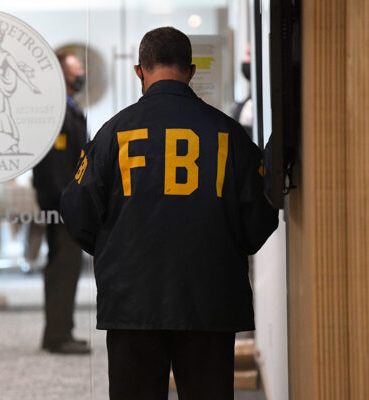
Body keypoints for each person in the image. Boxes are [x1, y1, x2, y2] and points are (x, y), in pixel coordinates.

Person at [60, 27, 278, 398]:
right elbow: (261, 215)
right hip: (211, 300)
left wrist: (114, 250)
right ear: (191, 72)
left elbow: (77, 210)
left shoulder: (114, 134)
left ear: (139, 72)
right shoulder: (229, 134)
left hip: (133, 301)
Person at [32, 52, 89, 354]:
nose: (81, 74)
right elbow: (54, 165)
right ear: (61, 74)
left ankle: (61, 331)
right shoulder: (54, 111)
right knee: (62, 269)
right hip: (61, 204)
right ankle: (57, 336)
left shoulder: (69, 108)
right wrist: (64, 201)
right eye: (76, 70)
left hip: (68, 201)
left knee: (67, 268)